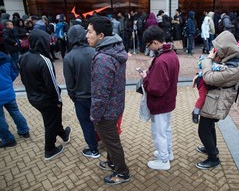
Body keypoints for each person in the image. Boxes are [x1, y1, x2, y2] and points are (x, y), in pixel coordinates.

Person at [86, 15, 130, 185]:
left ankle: (122, 172)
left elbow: (100, 93)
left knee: (112, 143)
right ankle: (112, 162)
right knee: (111, 140)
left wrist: (95, 116)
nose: (87, 35)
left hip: (106, 111)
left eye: (90, 32)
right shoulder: (115, 49)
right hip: (116, 105)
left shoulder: (103, 59)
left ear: (101, 36)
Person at [19, 29, 72, 161]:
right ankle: (50, 149)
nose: (50, 43)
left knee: (53, 118)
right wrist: (58, 100)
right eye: (47, 41)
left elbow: (24, 79)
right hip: (46, 99)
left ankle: (63, 134)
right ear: (41, 42)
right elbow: (52, 85)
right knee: (50, 123)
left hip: (33, 97)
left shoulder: (24, 57)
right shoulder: (44, 60)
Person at [196, 30, 239, 170]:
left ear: (227, 49)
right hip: (215, 98)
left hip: (218, 101)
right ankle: (212, 148)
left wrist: (208, 60)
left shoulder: (234, 67)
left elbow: (209, 77)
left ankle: (213, 158)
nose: (215, 52)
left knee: (203, 130)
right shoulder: (231, 57)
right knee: (209, 126)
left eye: (219, 49)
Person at [140, 25, 180, 171]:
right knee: (166, 129)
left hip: (160, 103)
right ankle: (167, 153)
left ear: (155, 42)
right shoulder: (172, 55)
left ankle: (163, 160)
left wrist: (145, 78)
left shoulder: (161, 60)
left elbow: (155, 89)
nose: (149, 48)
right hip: (168, 100)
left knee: (159, 132)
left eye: (149, 44)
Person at [63, 25, 100, 159]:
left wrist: (73, 96)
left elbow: (69, 83)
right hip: (98, 95)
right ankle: (103, 141)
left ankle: (93, 149)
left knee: (86, 123)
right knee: (100, 121)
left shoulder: (69, 57)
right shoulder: (95, 52)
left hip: (81, 97)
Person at [0, 50, 30, 148]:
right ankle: (24, 131)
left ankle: (8, 139)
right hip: (8, 92)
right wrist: (8, 82)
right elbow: (15, 72)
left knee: (0, 118)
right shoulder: (5, 57)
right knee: (15, 111)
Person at [192, 54, 227, 124]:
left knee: (211, 99)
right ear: (214, 57)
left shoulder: (215, 63)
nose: (219, 59)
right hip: (203, 84)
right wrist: (223, 67)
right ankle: (195, 112)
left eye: (221, 58)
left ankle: (214, 116)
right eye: (218, 57)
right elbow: (214, 67)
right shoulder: (210, 63)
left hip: (209, 84)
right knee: (202, 98)